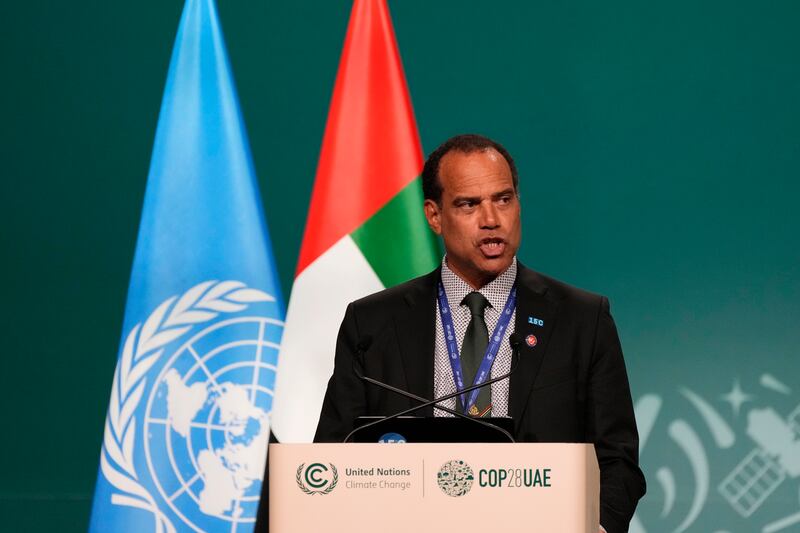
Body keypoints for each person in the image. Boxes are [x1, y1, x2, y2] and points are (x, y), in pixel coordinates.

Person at [314, 134, 645, 533]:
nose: (492, 219)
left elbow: (617, 459)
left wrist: (599, 528)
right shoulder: (372, 323)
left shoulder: (581, 319)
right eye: (469, 204)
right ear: (434, 216)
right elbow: (333, 457)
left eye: (503, 199)